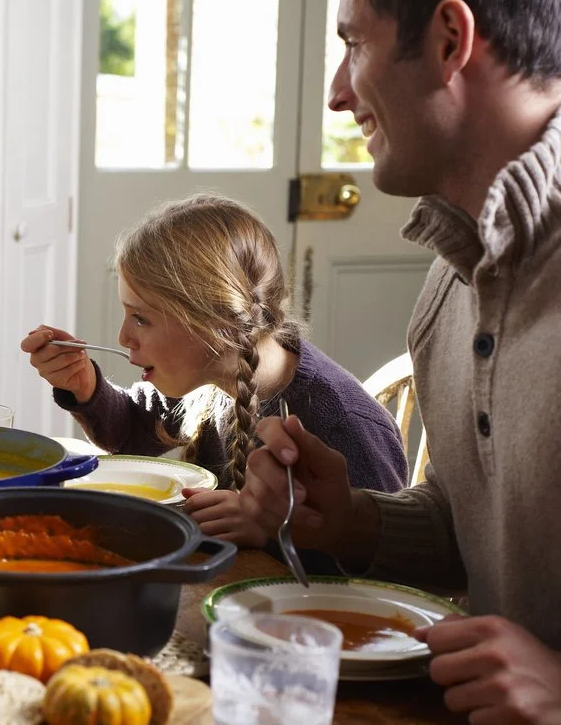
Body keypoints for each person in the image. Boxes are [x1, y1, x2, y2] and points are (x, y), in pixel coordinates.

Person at [240, 0, 561, 725]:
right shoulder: (449, 283)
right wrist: (349, 520)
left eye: (354, 44)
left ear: (450, 40)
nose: (337, 93)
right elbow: (476, 529)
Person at [21, 194, 407, 568]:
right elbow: (135, 430)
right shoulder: (213, 375)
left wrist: (269, 531)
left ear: (214, 323)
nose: (123, 337)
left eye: (141, 318)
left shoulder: (342, 423)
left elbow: (388, 570)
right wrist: (85, 386)